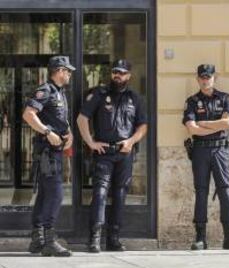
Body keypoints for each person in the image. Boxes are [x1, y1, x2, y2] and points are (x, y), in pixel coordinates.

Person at [77, 59, 147, 253]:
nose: (118, 75)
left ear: (129, 75)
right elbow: (82, 118)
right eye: (115, 72)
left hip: (124, 154)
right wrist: (90, 142)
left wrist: (131, 141)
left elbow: (143, 126)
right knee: (99, 194)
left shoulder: (135, 98)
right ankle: (95, 238)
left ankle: (114, 238)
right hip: (104, 153)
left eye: (122, 72)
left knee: (120, 195)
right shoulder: (99, 94)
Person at [182, 64, 229, 250]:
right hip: (200, 151)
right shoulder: (192, 101)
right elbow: (192, 128)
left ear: (214, 78)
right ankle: (200, 238)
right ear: (197, 79)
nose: (205, 80)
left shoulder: (225, 98)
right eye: (201, 77)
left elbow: (228, 124)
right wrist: (217, 124)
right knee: (201, 192)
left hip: (221, 151)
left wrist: (205, 124)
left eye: (208, 77)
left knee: (225, 192)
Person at [22, 55, 75, 257]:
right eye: (67, 70)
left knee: (45, 194)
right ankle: (49, 240)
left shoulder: (59, 92)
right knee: (55, 194)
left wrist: (68, 132)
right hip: (46, 152)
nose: (69, 74)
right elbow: (28, 114)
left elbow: (57, 118)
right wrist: (47, 132)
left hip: (54, 151)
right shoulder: (46, 90)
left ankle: (38, 239)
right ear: (59, 71)